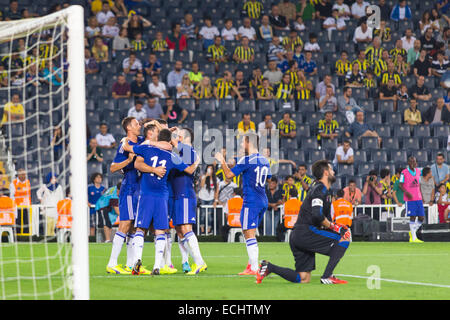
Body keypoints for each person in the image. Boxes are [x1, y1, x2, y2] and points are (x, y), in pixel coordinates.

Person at [257, 160, 350, 285]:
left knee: (304, 278)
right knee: (345, 238)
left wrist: (334, 227)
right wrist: (336, 228)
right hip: (306, 232)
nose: (334, 171)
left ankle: (269, 267)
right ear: (326, 173)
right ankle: (327, 276)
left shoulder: (321, 189)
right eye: (331, 169)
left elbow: (322, 217)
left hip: (298, 235)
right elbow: (317, 215)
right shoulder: (320, 189)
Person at [127, 128, 199, 275]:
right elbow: (190, 170)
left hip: (146, 194)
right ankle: (157, 266)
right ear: (169, 141)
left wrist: (130, 142)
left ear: (158, 138)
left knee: (141, 229)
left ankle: (137, 261)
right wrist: (197, 162)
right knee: (161, 231)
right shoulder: (172, 156)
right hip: (162, 196)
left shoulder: (146, 148)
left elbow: (128, 149)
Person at [215, 132, 272, 276]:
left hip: (251, 201)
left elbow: (228, 175)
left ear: (249, 143)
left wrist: (222, 161)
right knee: (250, 232)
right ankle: (251, 264)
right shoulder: (264, 160)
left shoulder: (246, 160)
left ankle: (253, 268)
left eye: (243, 142)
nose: (241, 145)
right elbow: (269, 179)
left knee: (248, 233)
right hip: (263, 199)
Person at [107, 117, 145, 274]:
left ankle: (130, 264)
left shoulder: (140, 141)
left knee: (134, 228)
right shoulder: (124, 146)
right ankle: (112, 262)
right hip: (129, 187)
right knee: (125, 223)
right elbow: (112, 168)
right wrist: (128, 160)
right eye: (136, 124)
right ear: (129, 127)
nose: (139, 125)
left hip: (139, 189)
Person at [170, 128, 207, 275]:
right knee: (179, 230)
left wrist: (166, 130)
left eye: (178, 135)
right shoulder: (178, 153)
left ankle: (199, 262)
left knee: (186, 229)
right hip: (177, 195)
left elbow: (172, 141)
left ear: (181, 137)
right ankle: (185, 261)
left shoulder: (187, 149)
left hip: (185, 194)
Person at [399, 156, 425, 242]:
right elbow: (400, 184)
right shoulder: (404, 172)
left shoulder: (418, 172)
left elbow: (419, 184)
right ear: (408, 163)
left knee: (421, 217)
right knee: (412, 217)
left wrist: (422, 195)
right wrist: (406, 193)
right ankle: (414, 238)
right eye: (411, 161)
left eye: (414, 161)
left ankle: (412, 231)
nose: (413, 163)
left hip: (418, 198)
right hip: (409, 199)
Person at [36, 172, 64, 237]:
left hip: (56, 210)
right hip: (48, 209)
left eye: (55, 178)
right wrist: (40, 199)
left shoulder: (59, 187)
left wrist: (61, 208)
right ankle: (49, 240)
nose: (55, 179)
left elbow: (61, 198)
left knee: (54, 227)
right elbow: (38, 192)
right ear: (49, 179)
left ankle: (55, 240)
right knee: (48, 227)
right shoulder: (45, 186)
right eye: (53, 178)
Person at [87, 173, 106, 237]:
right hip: (92, 209)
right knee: (92, 225)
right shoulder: (89, 188)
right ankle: (92, 238)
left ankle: (103, 239)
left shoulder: (103, 189)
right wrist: (88, 203)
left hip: (101, 209)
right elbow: (84, 196)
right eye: (97, 177)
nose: (99, 179)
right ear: (94, 179)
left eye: (100, 177)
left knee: (102, 224)